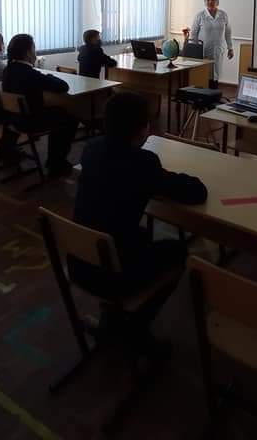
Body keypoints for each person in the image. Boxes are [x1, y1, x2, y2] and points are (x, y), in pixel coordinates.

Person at [71, 92, 206, 343]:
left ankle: (112, 320)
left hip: (78, 262)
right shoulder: (143, 162)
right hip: (111, 274)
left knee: (141, 234)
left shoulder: (91, 149)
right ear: (142, 129)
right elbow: (195, 192)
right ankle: (135, 328)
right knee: (178, 252)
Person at [2, 33, 78, 176]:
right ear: (28, 52)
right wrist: (49, 76)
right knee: (69, 118)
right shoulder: (30, 74)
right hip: (30, 121)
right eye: (34, 48)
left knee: (59, 111)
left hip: (13, 118)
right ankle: (56, 162)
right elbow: (63, 86)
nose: (35, 51)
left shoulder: (8, 70)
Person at [182, 0, 233, 89]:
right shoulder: (200, 15)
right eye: (208, 0)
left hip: (218, 50)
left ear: (217, 2)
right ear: (205, 2)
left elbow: (228, 32)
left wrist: (230, 48)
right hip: (203, 51)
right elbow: (194, 33)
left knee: (215, 75)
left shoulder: (223, 15)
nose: (210, 2)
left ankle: (214, 94)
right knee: (204, 75)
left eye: (213, 0)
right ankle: (204, 95)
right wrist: (195, 50)